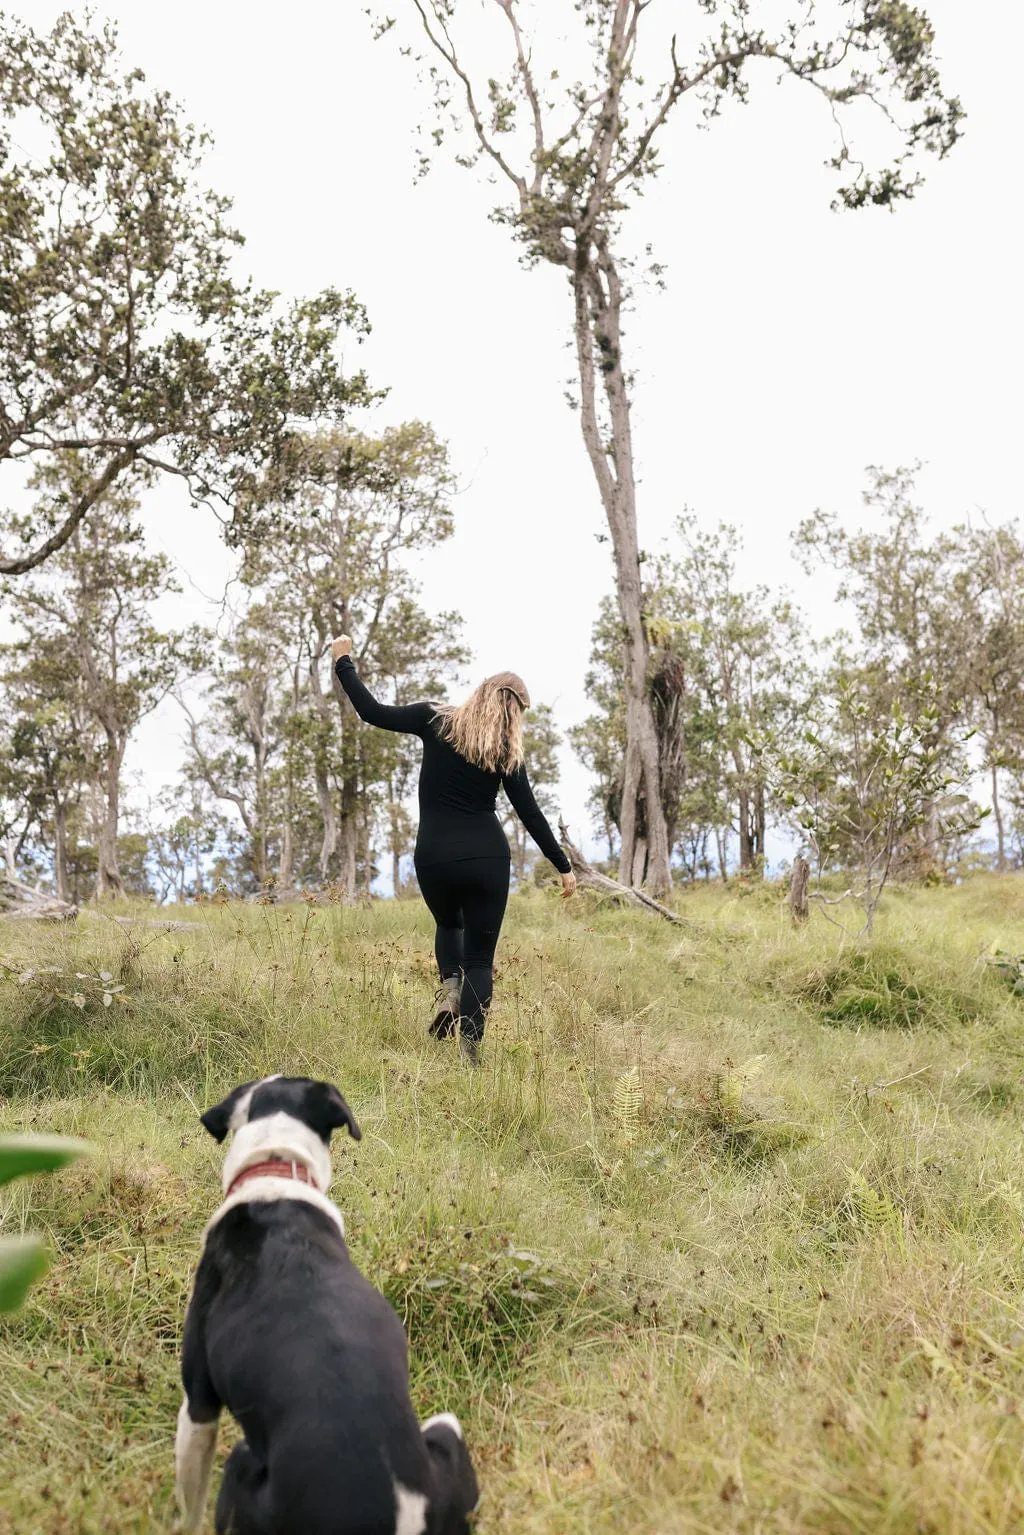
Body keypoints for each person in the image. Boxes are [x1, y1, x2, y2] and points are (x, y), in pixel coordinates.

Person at [332, 636, 576, 1063]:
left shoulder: (434, 719)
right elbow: (531, 814)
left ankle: (450, 992)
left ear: (481, 692)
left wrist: (343, 662)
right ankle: (470, 1057)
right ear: (515, 712)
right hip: (487, 857)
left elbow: (371, 712)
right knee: (480, 960)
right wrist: (563, 865)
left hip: (434, 856)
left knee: (449, 925)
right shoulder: (505, 752)